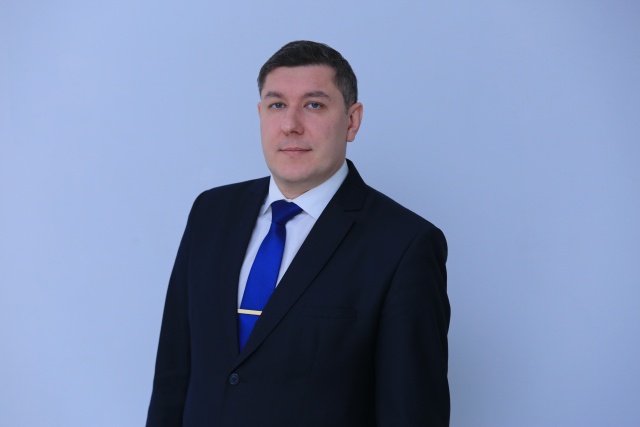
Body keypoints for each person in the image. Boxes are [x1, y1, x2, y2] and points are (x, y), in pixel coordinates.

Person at [146, 40, 450, 427]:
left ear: (352, 120)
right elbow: (173, 375)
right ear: (260, 115)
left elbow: (412, 412)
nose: (290, 124)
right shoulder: (211, 213)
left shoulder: (404, 245)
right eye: (277, 105)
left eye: (314, 105)